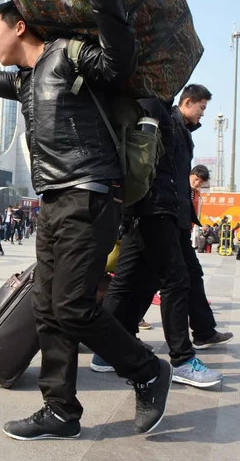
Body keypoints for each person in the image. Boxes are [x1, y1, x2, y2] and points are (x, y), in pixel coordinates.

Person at [0, 0, 172, 440]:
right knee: (46, 308)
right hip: (54, 201)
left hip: (90, 194)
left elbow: (119, 60)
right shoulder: (21, 83)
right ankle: (60, 410)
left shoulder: (67, 54)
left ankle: (146, 370)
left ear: (19, 27)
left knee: (74, 307)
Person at [95, 98, 223, 388]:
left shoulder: (160, 112)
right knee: (175, 281)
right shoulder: (155, 109)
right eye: (200, 106)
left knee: (135, 280)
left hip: (155, 211)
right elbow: (147, 165)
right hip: (154, 210)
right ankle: (181, 359)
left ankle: (109, 348)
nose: (202, 112)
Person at [172, 85, 233, 349]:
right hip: (162, 217)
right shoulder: (169, 126)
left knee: (191, 275)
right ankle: (110, 348)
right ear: (188, 102)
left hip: (174, 220)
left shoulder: (180, 128)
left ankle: (204, 332)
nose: (203, 114)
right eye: (202, 108)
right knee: (139, 281)